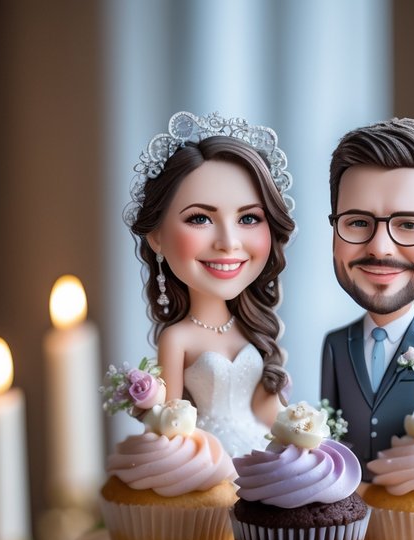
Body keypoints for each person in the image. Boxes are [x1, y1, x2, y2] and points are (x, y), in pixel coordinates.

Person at [125, 112, 296, 456]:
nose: (228, 242)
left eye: (249, 218)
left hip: (261, 457)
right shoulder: (178, 338)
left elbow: (266, 411)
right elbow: (171, 421)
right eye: (200, 218)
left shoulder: (253, 328)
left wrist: (301, 436)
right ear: (157, 236)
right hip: (203, 462)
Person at [320, 117, 414, 474]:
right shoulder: (336, 344)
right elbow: (325, 430)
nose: (380, 247)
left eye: (410, 225)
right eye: (357, 222)